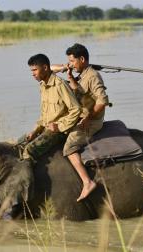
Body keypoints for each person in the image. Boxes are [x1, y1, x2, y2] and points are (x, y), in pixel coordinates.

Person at [51, 43, 110, 201]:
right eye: (69, 61)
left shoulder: (93, 76)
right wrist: (68, 71)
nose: (71, 64)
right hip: (79, 115)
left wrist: (89, 117)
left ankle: (87, 182)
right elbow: (48, 69)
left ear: (82, 59)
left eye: (73, 61)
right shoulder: (82, 74)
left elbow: (102, 101)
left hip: (91, 121)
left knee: (69, 147)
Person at [22, 54, 81, 167]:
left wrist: (59, 127)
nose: (33, 74)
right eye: (31, 70)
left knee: (29, 150)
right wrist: (35, 131)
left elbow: (76, 109)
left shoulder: (60, 85)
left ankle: (29, 183)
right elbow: (44, 115)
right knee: (21, 142)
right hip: (46, 127)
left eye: (35, 70)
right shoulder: (43, 86)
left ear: (45, 68)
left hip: (59, 131)